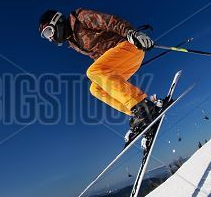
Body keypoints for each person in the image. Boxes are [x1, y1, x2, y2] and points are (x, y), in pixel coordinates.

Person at [38, 8, 161, 144]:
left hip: (129, 46)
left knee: (92, 72)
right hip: (121, 59)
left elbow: (110, 21)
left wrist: (131, 33)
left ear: (57, 21)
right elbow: (99, 56)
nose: (50, 38)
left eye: (48, 31)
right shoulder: (73, 42)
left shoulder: (79, 18)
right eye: (46, 37)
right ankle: (138, 115)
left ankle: (143, 107)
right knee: (95, 89)